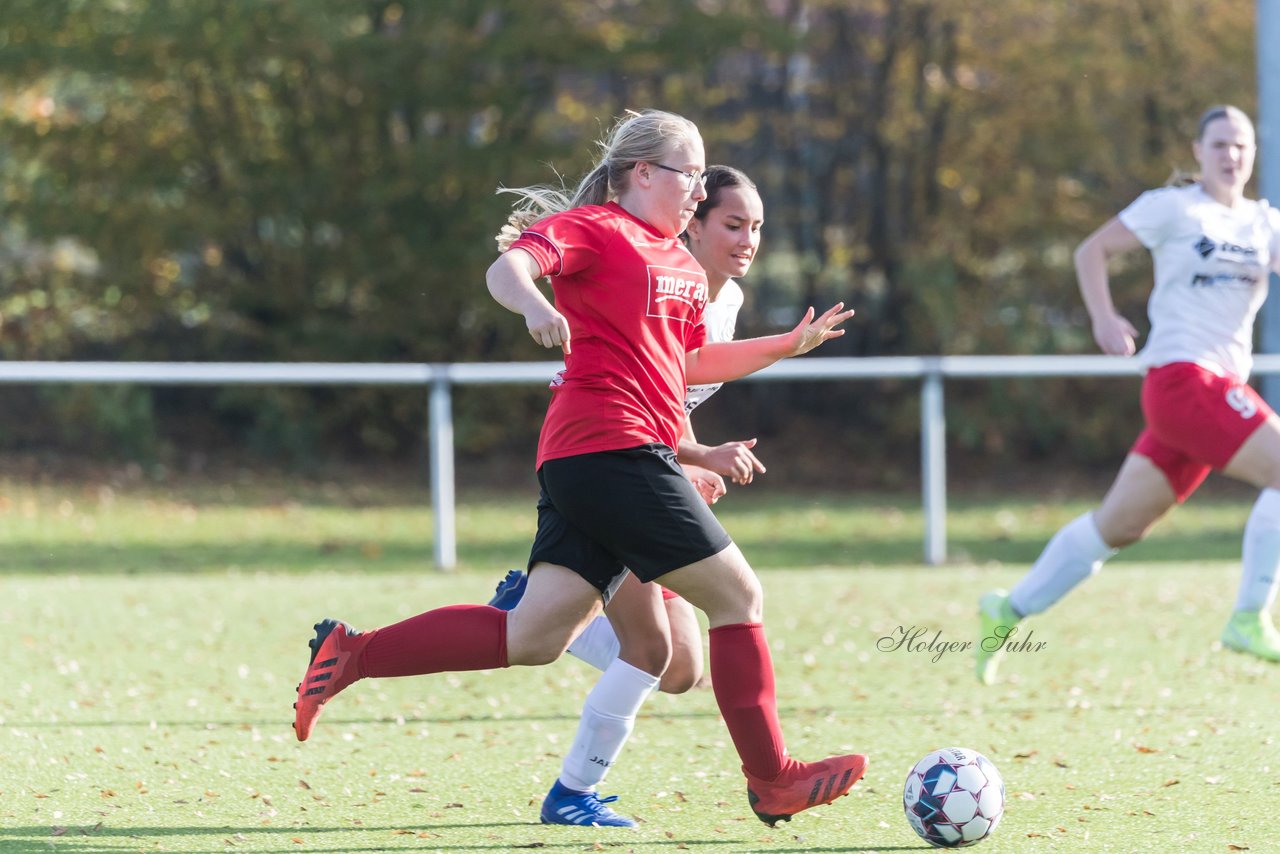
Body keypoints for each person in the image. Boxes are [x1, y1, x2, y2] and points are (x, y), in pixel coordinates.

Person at [291, 110, 867, 827]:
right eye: (689, 174)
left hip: (594, 460)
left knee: (531, 637)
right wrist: (534, 303)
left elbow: (689, 364)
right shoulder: (596, 227)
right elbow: (510, 269)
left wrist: (785, 344)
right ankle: (772, 777)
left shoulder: (683, 265)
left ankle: (353, 654)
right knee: (738, 598)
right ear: (643, 173)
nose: (697, 187)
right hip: (612, 449)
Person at [486, 165, 768, 826]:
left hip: (642, 465)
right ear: (690, 225)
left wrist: (696, 455)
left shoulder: (723, 302)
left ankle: (569, 780)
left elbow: (672, 394)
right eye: (731, 223)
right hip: (610, 467)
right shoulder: (652, 272)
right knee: (667, 649)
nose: (748, 239)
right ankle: (572, 791)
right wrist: (684, 460)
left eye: (756, 227)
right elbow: (637, 389)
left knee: (679, 669)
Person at [976, 105, 1280, 686]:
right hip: (1183, 381)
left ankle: (1006, 610)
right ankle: (1249, 616)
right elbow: (1091, 250)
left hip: (1210, 397)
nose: (1231, 155)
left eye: (1241, 145)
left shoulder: (1264, 224)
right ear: (1198, 150)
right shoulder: (1174, 206)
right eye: (1219, 143)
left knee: (1116, 528)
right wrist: (1103, 316)